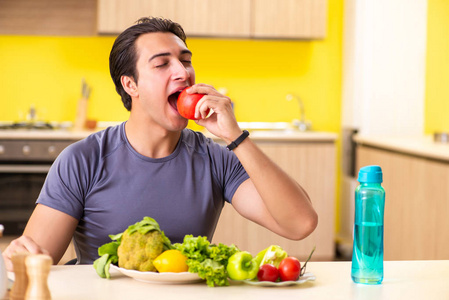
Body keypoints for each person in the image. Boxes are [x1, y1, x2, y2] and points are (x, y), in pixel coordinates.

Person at [2, 17, 318, 271]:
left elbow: (300, 224)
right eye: (162, 63)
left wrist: (236, 137)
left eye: (185, 60)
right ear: (131, 84)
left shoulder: (214, 158)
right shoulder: (83, 160)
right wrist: (20, 253)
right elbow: (36, 261)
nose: (184, 72)